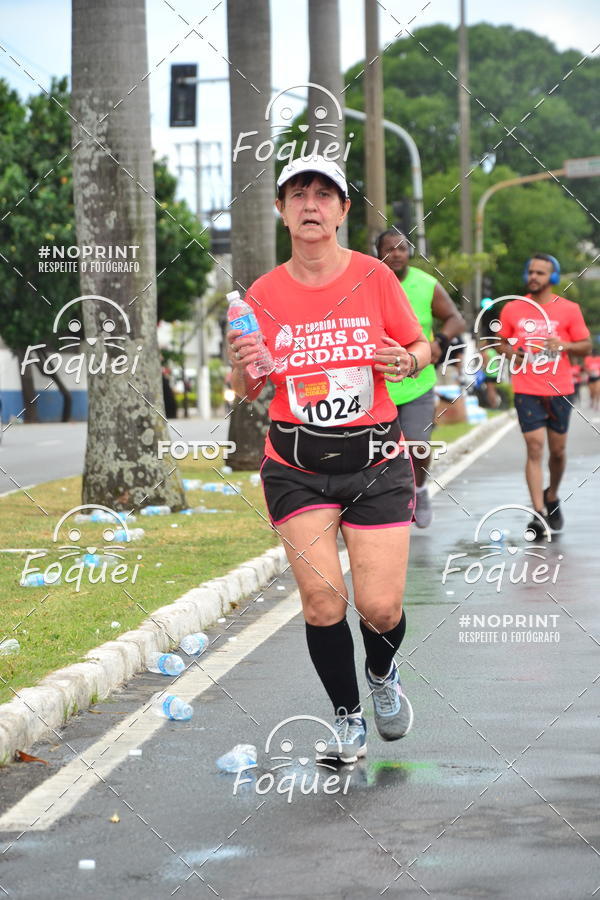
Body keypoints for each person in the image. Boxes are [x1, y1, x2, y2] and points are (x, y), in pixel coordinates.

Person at [227, 156, 431, 763]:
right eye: (297, 195)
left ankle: (381, 675)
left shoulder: (374, 277)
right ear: (282, 211)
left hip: (375, 461)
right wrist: (242, 361)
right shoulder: (263, 293)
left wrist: (409, 362)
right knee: (323, 602)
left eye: (323, 195)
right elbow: (249, 388)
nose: (310, 204)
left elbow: (420, 344)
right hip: (296, 466)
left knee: (379, 607)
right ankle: (346, 721)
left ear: (343, 211)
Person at [375, 230, 465, 527]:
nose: (397, 253)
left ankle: (420, 488)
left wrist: (439, 341)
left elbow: (455, 318)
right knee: (380, 451)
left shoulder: (426, 284)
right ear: (379, 253)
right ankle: (384, 503)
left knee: (417, 443)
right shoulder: (367, 284)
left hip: (418, 380)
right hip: (378, 384)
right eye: (390, 249)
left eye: (402, 248)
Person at [498, 253, 591, 537]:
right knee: (535, 447)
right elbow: (500, 344)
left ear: (552, 277)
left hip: (560, 388)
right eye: (531, 272)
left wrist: (563, 344)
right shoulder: (513, 308)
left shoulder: (570, 309)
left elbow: (585, 345)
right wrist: (515, 353)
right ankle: (538, 512)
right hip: (527, 388)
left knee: (558, 452)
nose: (534, 277)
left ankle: (552, 496)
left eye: (541, 273)